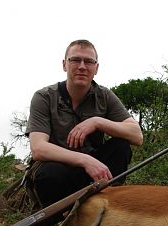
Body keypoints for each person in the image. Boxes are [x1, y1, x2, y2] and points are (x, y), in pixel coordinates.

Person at [25, 39, 143, 207]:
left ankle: (107, 207)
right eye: (75, 60)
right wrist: (85, 160)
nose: (82, 66)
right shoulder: (44, 97)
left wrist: (97, 122)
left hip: (93, 174)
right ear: (64, 64)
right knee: (50, 173)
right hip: (57, 171)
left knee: (121, 146)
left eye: (88, 61)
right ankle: (59, 219)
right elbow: (38, 148)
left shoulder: (104, 95)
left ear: (96, 68)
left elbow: (137, 136)